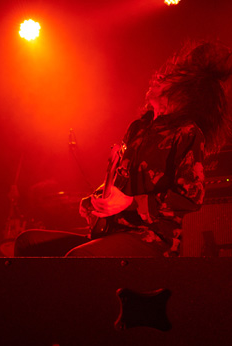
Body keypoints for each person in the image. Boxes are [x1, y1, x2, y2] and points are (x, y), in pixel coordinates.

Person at [14, 41, 232, 257]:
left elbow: (191, 197)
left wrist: (131, 203)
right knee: (28, 242)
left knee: (79, 257)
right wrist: (97, 199)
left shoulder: (187, 132)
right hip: (112, 233)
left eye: (166, 79)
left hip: (151, 238)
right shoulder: (138, 128)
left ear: (183, 91)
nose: (157, 77)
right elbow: (121, 183)